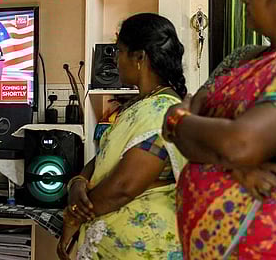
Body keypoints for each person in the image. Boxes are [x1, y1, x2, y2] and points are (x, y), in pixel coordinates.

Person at [162, 0, 276, 259]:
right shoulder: (242, 58)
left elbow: (240, 143)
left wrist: (189, 127)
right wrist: (233, 163)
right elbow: (183, 113)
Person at [57, 13, 187, 260]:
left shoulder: (161, 111)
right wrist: (77, 183)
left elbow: (123, 188)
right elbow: (102, 159)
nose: (116, 60)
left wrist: (73, 215)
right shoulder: (140, 105)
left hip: (143, 248)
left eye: (119, 51)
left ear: (140, 57)